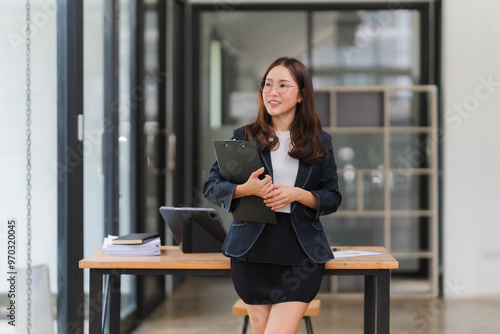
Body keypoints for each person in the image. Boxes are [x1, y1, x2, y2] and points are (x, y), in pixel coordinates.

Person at [203, 56, 342, 334]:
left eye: (282, 85)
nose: (272, 92)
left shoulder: (319, 141)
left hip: (299, 254)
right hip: (251, 252)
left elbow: (331, 198)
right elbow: (212, 186)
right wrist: (245, 189)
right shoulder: (243, 136)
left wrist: (298, 194)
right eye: (267, 84)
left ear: (301, 94)